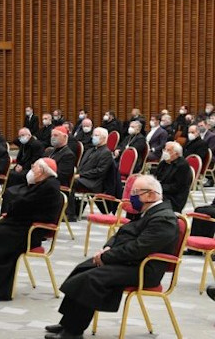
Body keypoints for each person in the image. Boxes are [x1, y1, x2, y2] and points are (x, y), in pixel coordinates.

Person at [44, 175, 178, 339]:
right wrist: (108, 247)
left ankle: (73, 332)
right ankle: (67, 322)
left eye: (136, 192)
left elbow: (138, 249)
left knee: (91, 279)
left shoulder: (163, 218)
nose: (131, 196)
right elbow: (123, 232)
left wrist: (107, 257)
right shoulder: (149, 211)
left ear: (151, 195)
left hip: (145, 269)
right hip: (132, 262)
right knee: (83, 269)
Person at [0, 158, 63, 301]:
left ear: (42, 171)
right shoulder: (42, 184)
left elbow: (27, 206)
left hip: (28, 232)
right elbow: (27, 204)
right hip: (18, 225)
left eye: (35, 167)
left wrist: (12, 209)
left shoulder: (49, 187)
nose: (31, 169)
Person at [71, 128, 114, 221]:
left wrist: (81, 175)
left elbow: (100, 171)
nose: (93, 137)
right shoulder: (90, 150)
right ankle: (67, 210)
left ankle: (70, 213)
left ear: (104, 138)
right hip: (85, 178)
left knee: (72, 181)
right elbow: (81, 166)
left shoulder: (106, 152)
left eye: (96, 135)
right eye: (93, 135)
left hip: (94, 182)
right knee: (67, 178)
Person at [155, 142, 192, 213]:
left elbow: (177, 187)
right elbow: (156, 177)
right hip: (161, 191)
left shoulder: (182, 165)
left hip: (174, 197)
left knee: (147, 198)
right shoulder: (163, 163)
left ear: (176, 153)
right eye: (165, 149)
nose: (165, 152)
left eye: (168, 150)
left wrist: (158, 188)